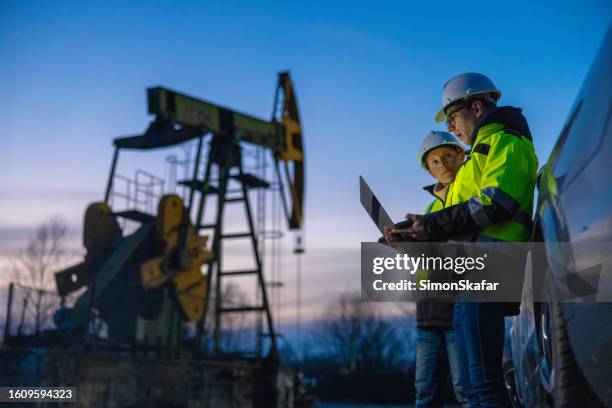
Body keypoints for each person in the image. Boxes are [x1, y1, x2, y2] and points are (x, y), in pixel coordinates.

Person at [391, 73, 538, 407]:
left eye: (453, 118)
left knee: (482, 383)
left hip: (492, 266)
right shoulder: (478, 156)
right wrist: (418, 234)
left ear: (476, 107)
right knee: (473, 386)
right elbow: (458, 223)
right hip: (472, 271)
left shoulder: (507, 141)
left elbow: (495, 204)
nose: (453, 128)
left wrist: (432, 225)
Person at [412, 131, 469, 408]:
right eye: (434, 161)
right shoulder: (431, 207)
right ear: (429, 169)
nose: (442, 164)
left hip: (460, 310)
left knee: (466, 390)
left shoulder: (470, 192)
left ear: (461, 155)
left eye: (447, 156)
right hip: (429, 313)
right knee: (424, 392)